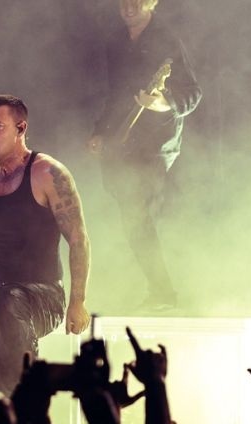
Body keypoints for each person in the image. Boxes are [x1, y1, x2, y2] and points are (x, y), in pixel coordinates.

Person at [0, 94, 91, 394]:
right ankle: (5, 412)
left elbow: (78, 239)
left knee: (8, 301)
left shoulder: (47, 174)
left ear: (21, 128)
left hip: (43, 296)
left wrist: (78, 301)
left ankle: (28, 400)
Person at [87, 0, 202, 312]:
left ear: (150, 2)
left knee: (138, 213)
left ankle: (164, 292)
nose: (128, 7)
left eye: (136, 1)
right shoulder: (116, 42)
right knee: (129, 215)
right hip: (122, 141)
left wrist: (164, 103)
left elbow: (192, 93)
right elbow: (115, 95)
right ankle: (152, 290)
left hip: (155, 145)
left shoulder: (167, 39)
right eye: (124, 1)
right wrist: (101, 131)